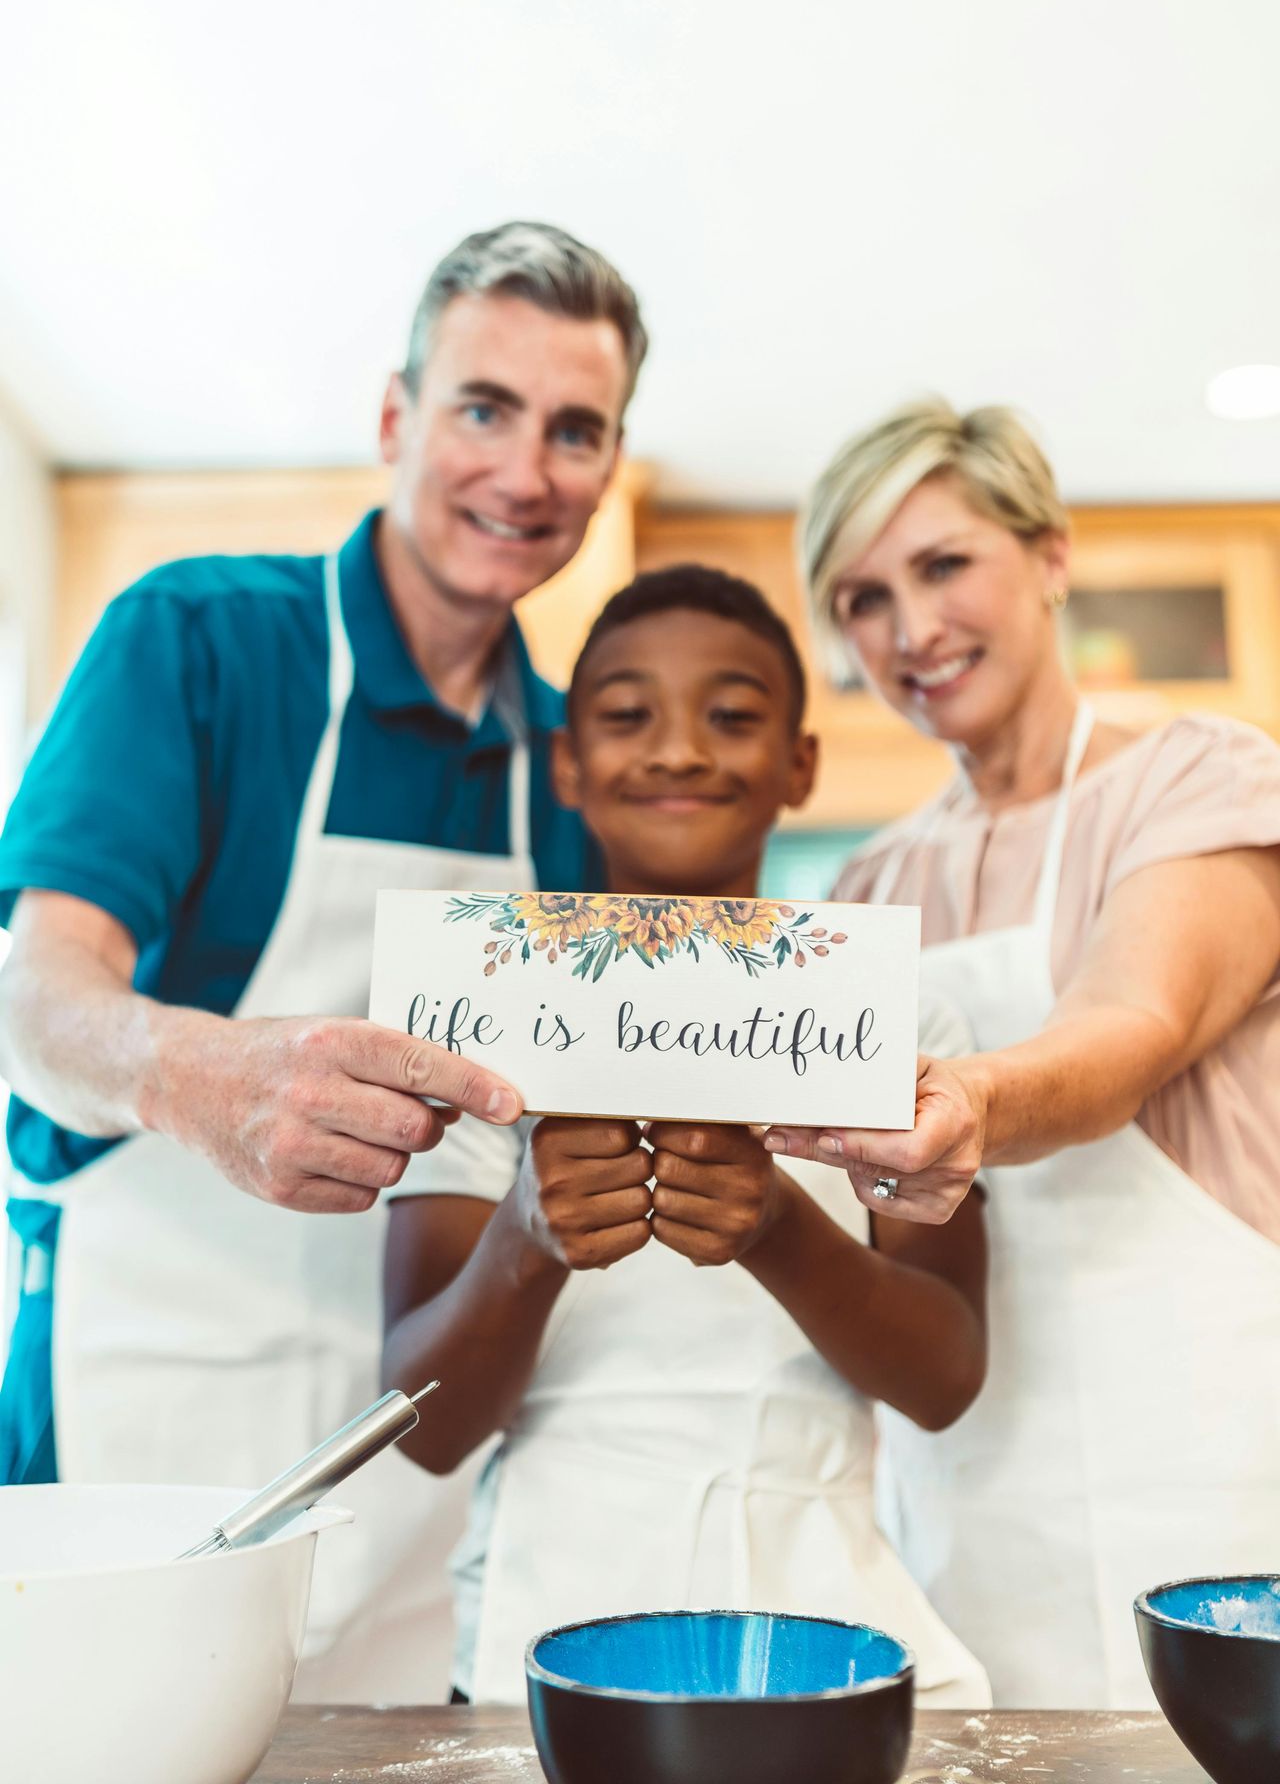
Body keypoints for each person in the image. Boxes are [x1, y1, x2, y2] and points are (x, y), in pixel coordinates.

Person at [0, 221, 646, 1699]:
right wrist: (195, 1072)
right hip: (134, 1408)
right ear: (394, 418)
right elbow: (31, 1000)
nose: (525, 470)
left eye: (575, 430)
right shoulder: (200, 644)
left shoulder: (567, 773)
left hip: (409, 1477)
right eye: (483, 408)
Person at [380, 563, 992, 1709]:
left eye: (732, 716)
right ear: (566, 761)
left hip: (825, 1611)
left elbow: (945, 1372)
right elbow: (421, 1421)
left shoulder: (888, 1015)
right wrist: (524, 1238)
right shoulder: (484, 1006)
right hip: (538, 1622)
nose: (676, 750)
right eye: (622, 716)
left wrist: (777, 1231)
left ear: (800, 762)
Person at [765, 398, 1280, 1707]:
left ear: (1049, 556)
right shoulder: (871, 888)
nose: (912, 629)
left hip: (1216, 1449)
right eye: (864, 598)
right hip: (969, 1483)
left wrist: (972, 1101)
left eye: (944, 565)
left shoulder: (1199, 777)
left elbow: (1132, 1026)